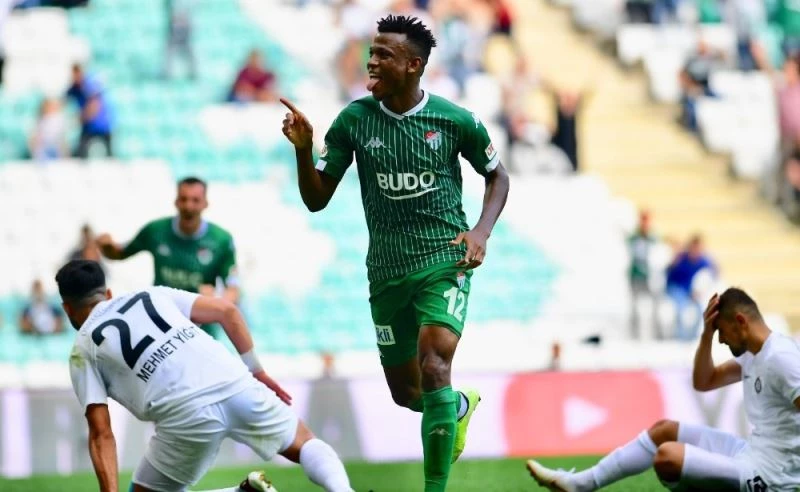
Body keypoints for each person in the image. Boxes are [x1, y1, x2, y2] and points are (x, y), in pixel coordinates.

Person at [280, 15, 510, 492]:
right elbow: (316, 199)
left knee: (435, 365)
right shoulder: (354, 121)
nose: (372, 61)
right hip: (386, 271)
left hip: (444, 259)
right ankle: (456, 407)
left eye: (384, 54)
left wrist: (480, 231)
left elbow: (498, 175)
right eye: (372, 52)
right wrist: (303, 150)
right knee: (407, 392)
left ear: (412, 65)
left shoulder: (454, 120)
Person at [56, 259, 353, 492]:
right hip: (235, 383)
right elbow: (227, 310)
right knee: (305, 442)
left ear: (67, 308)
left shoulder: (83, 348)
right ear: (108, 293)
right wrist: (257, 371)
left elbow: (101, 433)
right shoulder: (151, 294)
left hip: (184, 412)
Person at [528, 288, 800, 491]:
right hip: (751, 451)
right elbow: (704, 381)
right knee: (664, 431)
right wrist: (705, 334)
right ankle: (581, 484)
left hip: (769, 476)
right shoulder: (754, 354)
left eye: (720, 331)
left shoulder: (780, 357)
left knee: (668, 457)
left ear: (740, 321)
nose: (720, 340)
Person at [96, 177, 238, 339]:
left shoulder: (221, 240)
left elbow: (233, 289)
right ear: (176, 201)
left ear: (205, 203)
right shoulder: (155, 230)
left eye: (195, 200)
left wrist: (217, 300)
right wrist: (107, 247)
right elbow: (120, 254)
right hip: (161, 321)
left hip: (201, 329)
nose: (188, 206)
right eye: (183, 199)